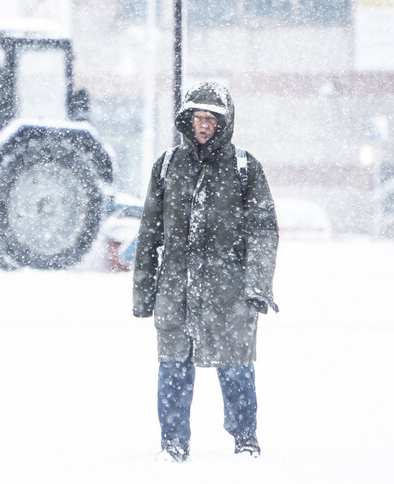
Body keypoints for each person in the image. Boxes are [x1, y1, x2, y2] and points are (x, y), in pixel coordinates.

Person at [132, 81, 279, 463]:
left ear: (223, 123)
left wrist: (258, 285)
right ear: (186, 120)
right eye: (197, 118)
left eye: (211, 119)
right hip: (176, 291)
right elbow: (149, 233)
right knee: (173, 370)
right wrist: (144, 292)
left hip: (228, 292)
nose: (203, 126)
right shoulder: (166, 167)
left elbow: (263, 230)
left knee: (236, 369)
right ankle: (173, 444)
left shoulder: (245, 169)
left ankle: (246, 441)